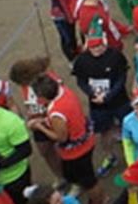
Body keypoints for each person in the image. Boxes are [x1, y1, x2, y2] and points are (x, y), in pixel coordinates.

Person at [28, 75, 101, 204]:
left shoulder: (56, 112)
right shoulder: (64, 91)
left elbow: (61, 137)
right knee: (84, 176)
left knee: (89, 182)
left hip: (77, 152)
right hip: (85, 137)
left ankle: (100, 200)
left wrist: (40, 127)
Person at [71, 26, 131, 178]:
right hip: (97, 105)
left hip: (119, 101)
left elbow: (121, 78)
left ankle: (135, 156)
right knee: (104, 132)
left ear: (104, 43)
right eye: (93, 46)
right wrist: (91, 93)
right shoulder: (82, 61)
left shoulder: (115, 56)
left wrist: (109, 95)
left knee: (130, 126)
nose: (97, 49)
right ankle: (110, 157)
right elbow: (81, 81)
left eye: (99, 46)